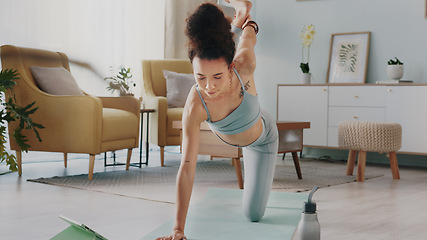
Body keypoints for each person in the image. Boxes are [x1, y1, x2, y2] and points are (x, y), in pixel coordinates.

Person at [156, 1, 278, 239]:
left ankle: (241, 13)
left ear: (230, 67)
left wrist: (248, 22)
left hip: (263, 138)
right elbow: (187, 168)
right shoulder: (195, 103)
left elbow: (249, 38)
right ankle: (235, 19)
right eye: (200, 77)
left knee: (253, 215)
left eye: (217, 77)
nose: (209, 86)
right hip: (239, 139)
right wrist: (178, 229)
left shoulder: (244, 66)